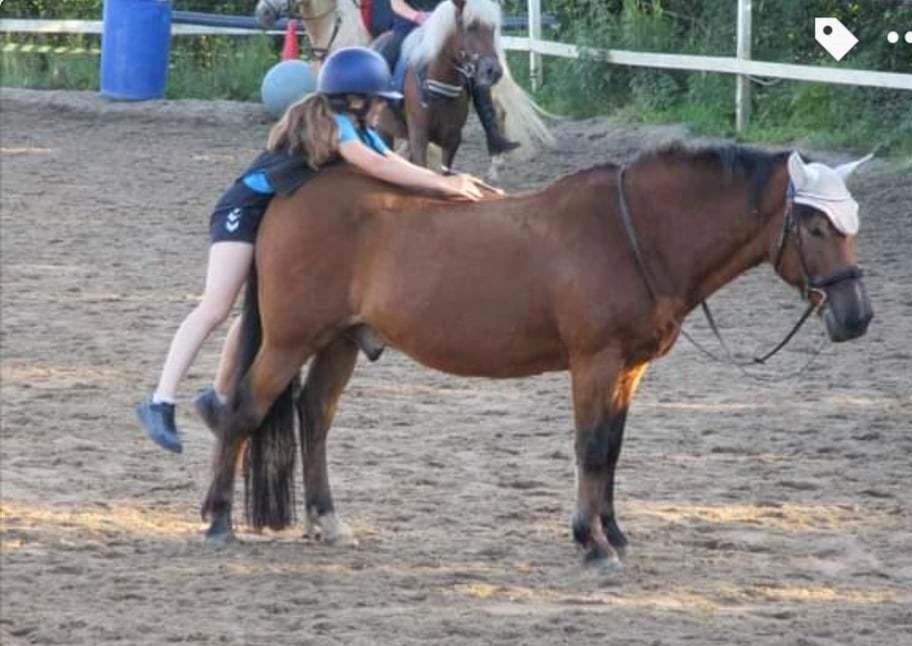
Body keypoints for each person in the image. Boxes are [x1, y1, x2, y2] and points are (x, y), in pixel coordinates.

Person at [137, 47, 495, 454]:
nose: (383, 110)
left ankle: (217, 398)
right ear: (356, 100)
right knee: (215, 307)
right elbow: (380, 168)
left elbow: (399, 168)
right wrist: (444, 185)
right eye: (379, 101)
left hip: (277, 218)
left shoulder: (363, 130)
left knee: (259, 311)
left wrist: (454, 183)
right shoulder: (339, 126)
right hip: (244, 211)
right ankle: (159, 401)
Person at [377, 0, 520, 156]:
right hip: (409, 26)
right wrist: (417, 16)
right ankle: (387, 112)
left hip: (447, 26)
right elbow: (396, 4)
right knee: (386, 57)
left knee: (477, 71)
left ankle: (493, 134)